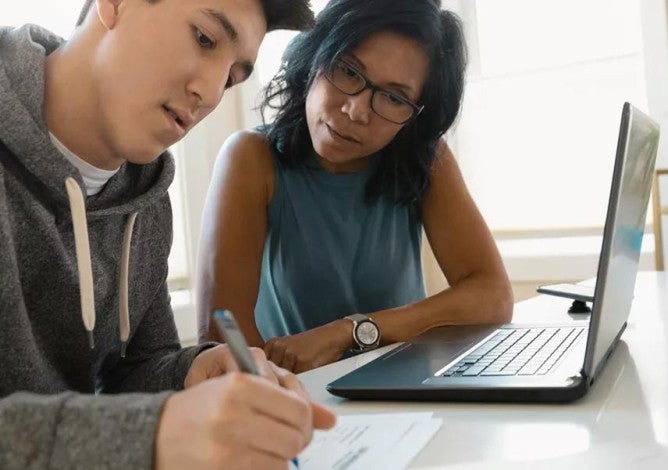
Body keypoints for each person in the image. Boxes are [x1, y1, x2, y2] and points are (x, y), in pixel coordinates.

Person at [0, 0, 335, 468]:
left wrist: (191, 371)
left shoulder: (147, 199)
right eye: (204, 38)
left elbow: (131, 373)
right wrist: (150, 435)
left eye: (234, 76)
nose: (211, 92)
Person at [198, 0, 514, 374]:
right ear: (315, 56)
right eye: (348, 71)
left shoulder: (425, 159)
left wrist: (350, 332)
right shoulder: (252, 158)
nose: (356, 111)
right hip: (296, 397)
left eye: (394, 98)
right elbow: (223, 334)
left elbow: (492, 294)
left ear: (416, 116)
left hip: (408, 387)